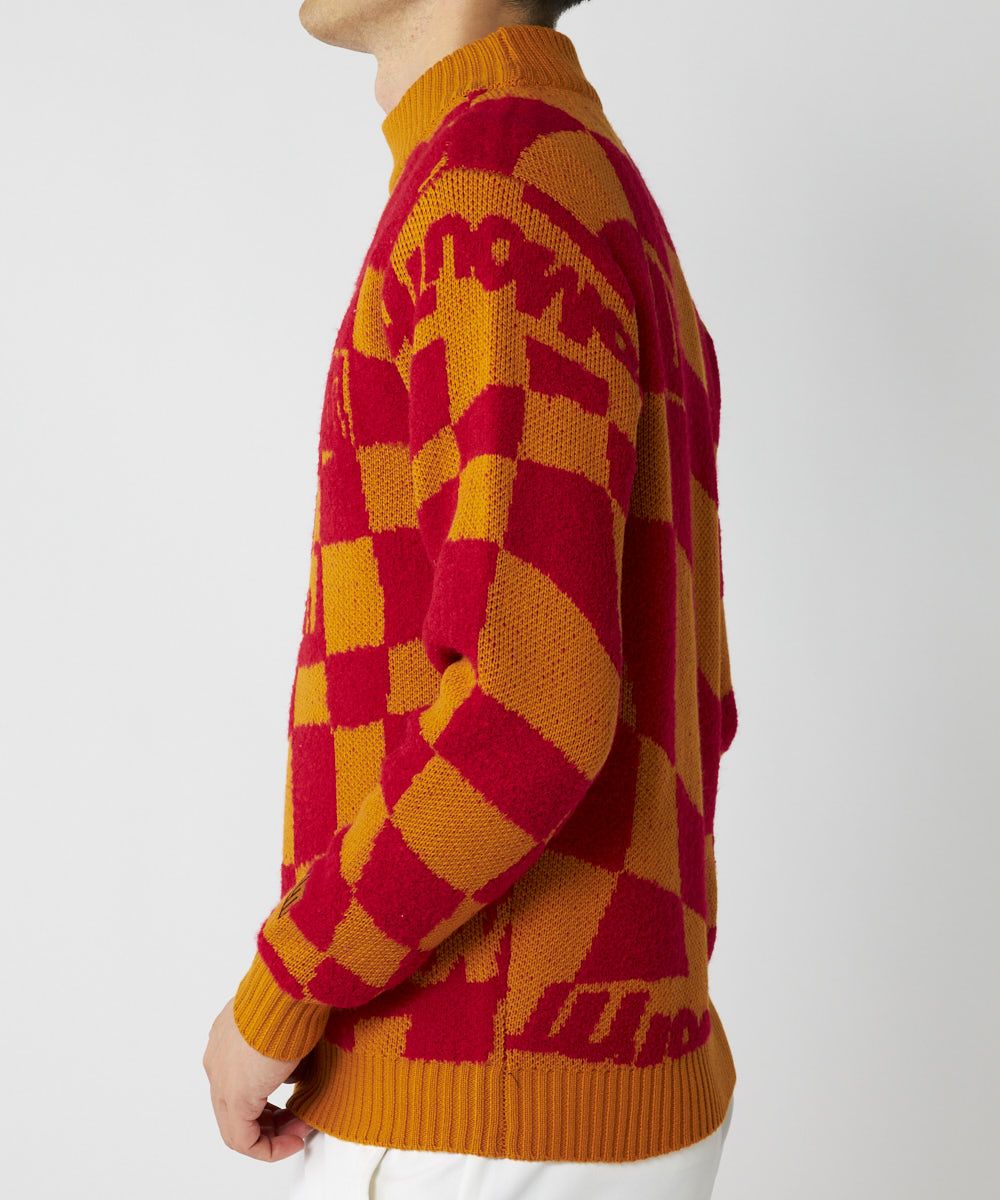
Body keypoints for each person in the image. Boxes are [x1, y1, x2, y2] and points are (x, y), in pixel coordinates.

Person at [203, 2, 740, 1196]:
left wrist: (280, 991)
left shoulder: (494, 183)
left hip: (486, 1087)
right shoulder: (573, 176)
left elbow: (530, 707)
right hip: (553, 1074)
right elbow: (690, 695)